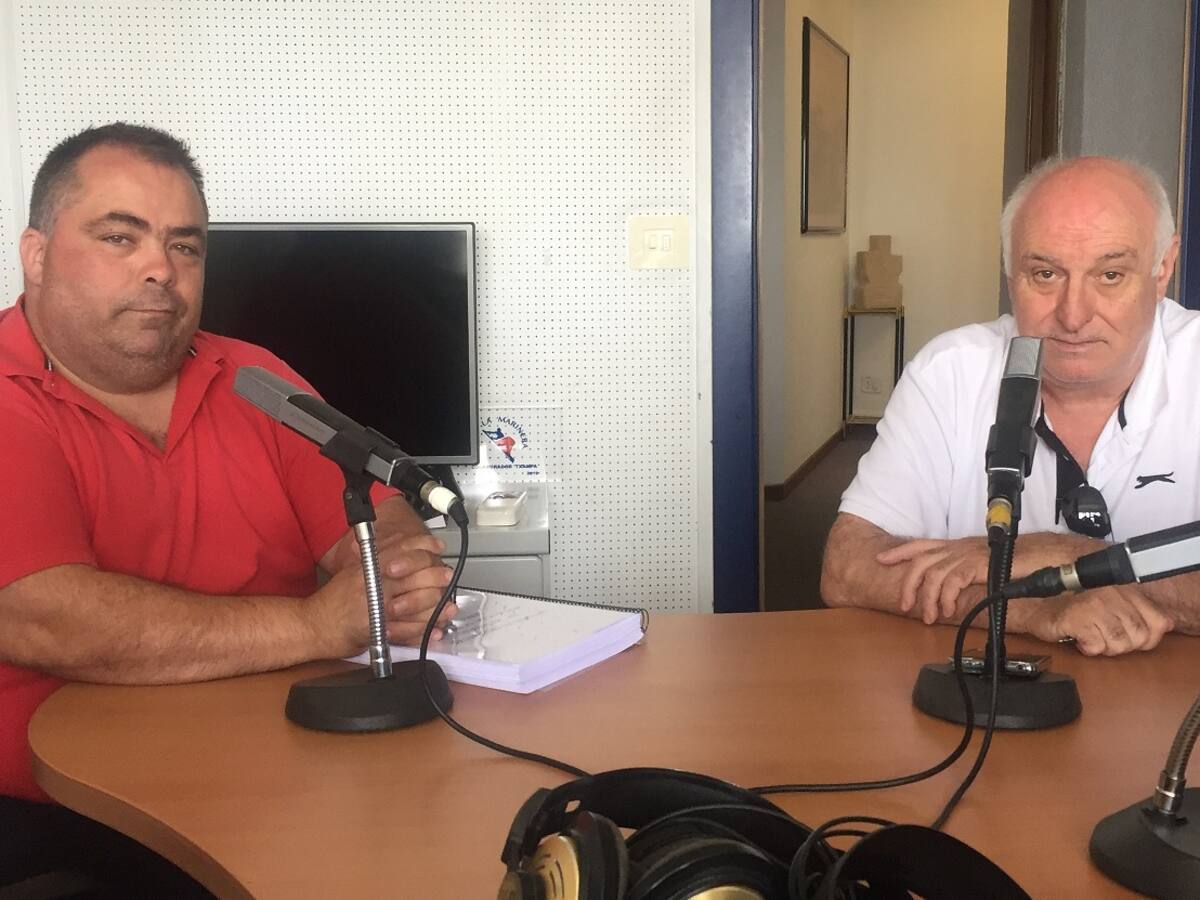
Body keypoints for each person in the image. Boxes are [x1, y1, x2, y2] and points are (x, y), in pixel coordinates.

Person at [0, 123, 455, 891]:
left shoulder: (256, 377)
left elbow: (375, 514)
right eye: (120, 237)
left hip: (289, 771)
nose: (160, 269)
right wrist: (318, 624)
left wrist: (396, 571)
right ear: (37, 254)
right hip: (68, 814)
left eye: (185, 246)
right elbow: (46, 617)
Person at [822, 156, 1200, 657]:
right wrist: (1037, 609)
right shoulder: (951, 371)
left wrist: (1059, 554)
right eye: (1045, 274)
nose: (1073, 315)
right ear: (1008, 273)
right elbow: (848, 567)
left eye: (1110, 275)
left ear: (1163, 269)